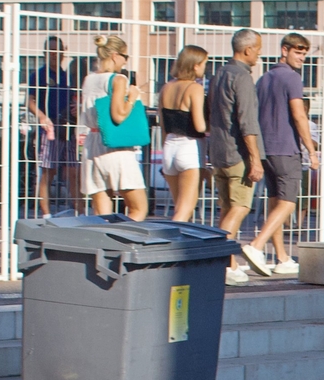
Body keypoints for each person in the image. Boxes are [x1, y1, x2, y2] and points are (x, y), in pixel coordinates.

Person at [243, 31, 316, 275]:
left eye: (304, 54)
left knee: (275, 202)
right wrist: (311, 150)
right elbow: (299, 114)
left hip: (266, 149)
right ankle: (256, 245)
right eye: (298, 52)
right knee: (287, 202)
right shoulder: (292, 78)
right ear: (284, 50)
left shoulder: (263, 79)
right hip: (286, 148)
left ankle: (282, 258)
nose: (302, 58)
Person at [207, 29, 265, 282]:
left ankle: (228, 266)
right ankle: (216, 260)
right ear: (247, 49)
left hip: (218, 150)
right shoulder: (242, 77)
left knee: (227, 208)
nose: (259, 56)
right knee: (240, 207)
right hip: (237, 153)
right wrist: (255, 159)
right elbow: (247, 123)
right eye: (258, 50)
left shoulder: (219, 73)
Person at [80, 34, 150, 219]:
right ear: (114, 55)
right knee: (138, 208)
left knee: (102, 212)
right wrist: (133, 96)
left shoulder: (89, 79)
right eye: (125, 57)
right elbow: (118, 116)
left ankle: (105, 245)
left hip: (92, 145)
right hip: (115, 148)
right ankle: (125, 246)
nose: (125, 62)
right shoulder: (118, 79)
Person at [25, 36, 79, 217]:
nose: (55, 55)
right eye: (51, 51)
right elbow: (30, 101)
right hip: (50, 127)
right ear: (45, 53)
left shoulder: (68, 76)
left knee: (73, 170)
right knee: (48, 171)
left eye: (58, 51)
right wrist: (41, 116)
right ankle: (46, 213)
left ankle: (77, 210)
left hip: (68, 126)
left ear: (63, 53)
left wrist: (75, 108)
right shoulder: (39, 75)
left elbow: (74, 98)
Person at [156, 45, 211, 223]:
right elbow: (200, 126)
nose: (205, 68)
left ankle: (177, 243)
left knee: (178, 205)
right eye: (204, 64)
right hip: (190, 147)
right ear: (195, 65)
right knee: (185, 209)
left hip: (170, 146)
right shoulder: (194, 88)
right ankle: (172, 247)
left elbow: (163, 124)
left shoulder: (166, 87)